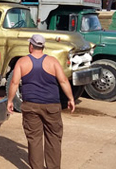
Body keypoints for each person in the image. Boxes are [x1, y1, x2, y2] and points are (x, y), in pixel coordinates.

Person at [7, 34, 75, 169]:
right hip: (52, 106)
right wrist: (71, 98)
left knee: (34, 140)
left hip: (30, 106)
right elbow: (63, 81)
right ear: (42, 47)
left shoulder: (22, 62)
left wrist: (10, 100)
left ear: (31, 46)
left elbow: (14, 83)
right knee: (54, 139)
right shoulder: (53, 61)